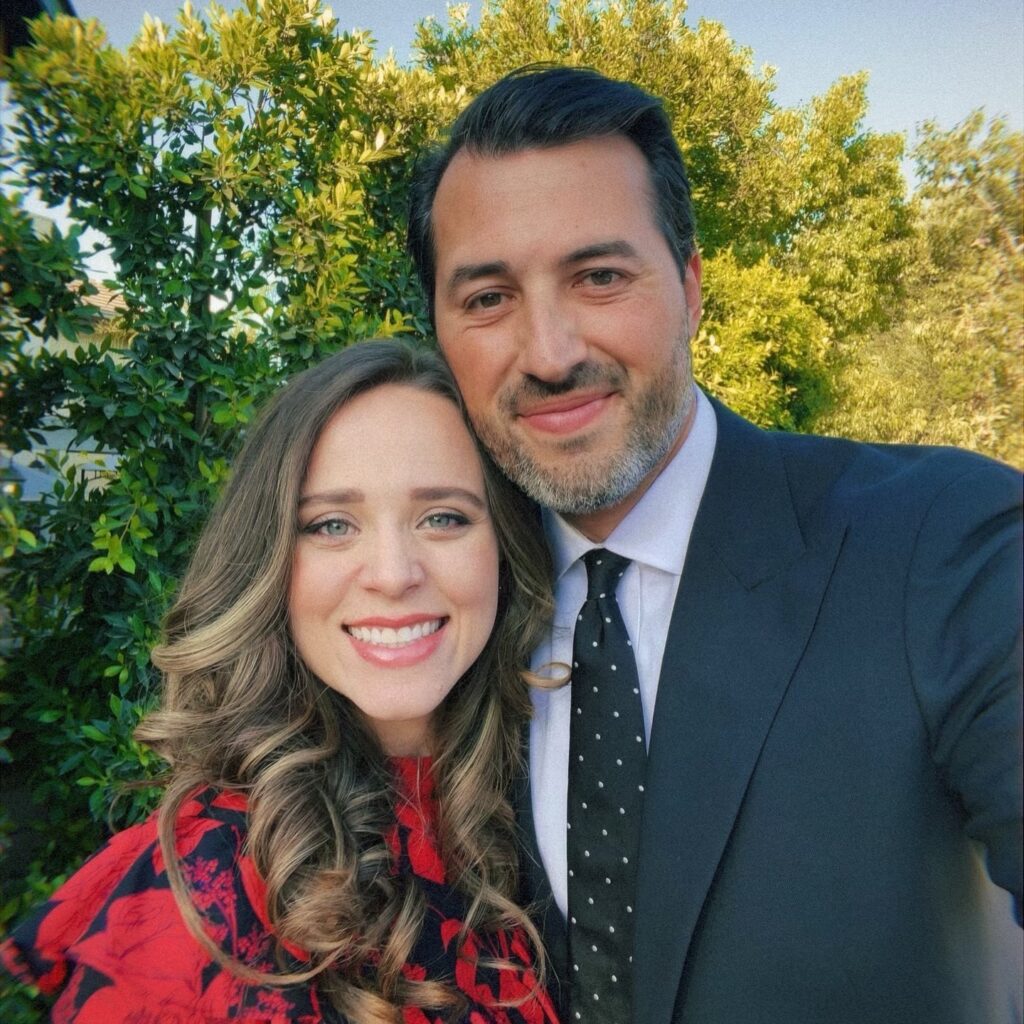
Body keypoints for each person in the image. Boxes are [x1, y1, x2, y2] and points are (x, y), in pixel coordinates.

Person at [407, 65, 1024, 1024]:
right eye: (487, 298)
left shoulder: (945, 540)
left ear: (691, 287)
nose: (550, 350)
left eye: (600, 276)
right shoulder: (435, 604)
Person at [1, 340, 561, 1024]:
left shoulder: (550, 803)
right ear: (268, 564)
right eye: (331, 524)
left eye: (443, 516)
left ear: (505, 546)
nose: (392, 572)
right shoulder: (198, 888)